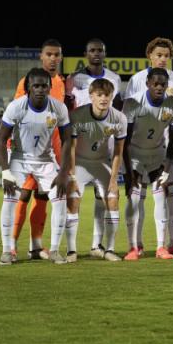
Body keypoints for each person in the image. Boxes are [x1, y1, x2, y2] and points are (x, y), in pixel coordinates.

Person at [0, 68, 72, 265]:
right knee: (10, 198)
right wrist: (6, 172)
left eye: (44, 85)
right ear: (28, 87)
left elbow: (66, 140)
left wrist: (64, 172)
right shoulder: (16, 107)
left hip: (45, 160)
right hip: (19, 159)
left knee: (60, 198)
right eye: (36, 85)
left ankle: (55, 250)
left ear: (49, 87)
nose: (40, 89)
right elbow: (1, 139)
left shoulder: (59, 108)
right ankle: (6, 250)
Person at [123, 37, 173, 256]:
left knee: (168, 193)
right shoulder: (137, 82)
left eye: (166, 55)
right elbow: (127, 127)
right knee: (136, 196)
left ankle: (167, 243)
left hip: (163, 147)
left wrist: (169, 163)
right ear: (150, 55)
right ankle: (135, 245)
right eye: (158, 55)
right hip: (138, 147)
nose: (162, 59)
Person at [64, 38, 123, 260]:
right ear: (86, 53)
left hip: (103, 151)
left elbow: (117, 111)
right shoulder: (74, 79)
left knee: (105, 198)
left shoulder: (114, 78)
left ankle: (98, 246)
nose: (96, 54)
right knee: (73, 198)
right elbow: (68, 107)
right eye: (92, 50)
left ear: (104, 53)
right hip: (80, 148)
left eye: (100, 50)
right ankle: (71, 249)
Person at [11, 39, 66, 260]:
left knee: (43, 196)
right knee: (22, 195)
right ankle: (11, 246)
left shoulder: (61, 83)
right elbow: (18, 115)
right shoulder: (27, 81)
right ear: (41, 56)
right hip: (27, 151)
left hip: (50, 152)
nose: (53, 59)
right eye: (49, 55)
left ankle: (36, 246)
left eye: (57, 55)